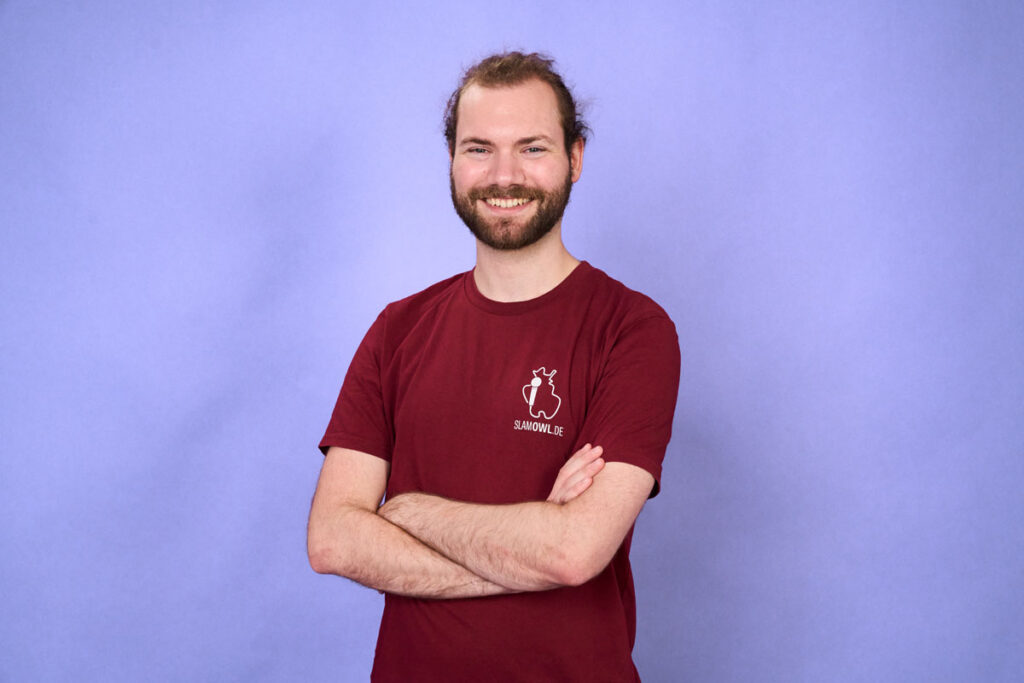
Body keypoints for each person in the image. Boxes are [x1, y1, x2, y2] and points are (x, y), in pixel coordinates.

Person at [307, 51, 681, 682]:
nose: (504, 176)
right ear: (452, 161)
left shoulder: (633, 329)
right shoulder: (398, 330)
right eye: (479, 149)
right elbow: (333, 540)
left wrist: (407, 511)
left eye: (532, 148)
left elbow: (574, 551)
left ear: (575, 158)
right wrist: (528, 545)